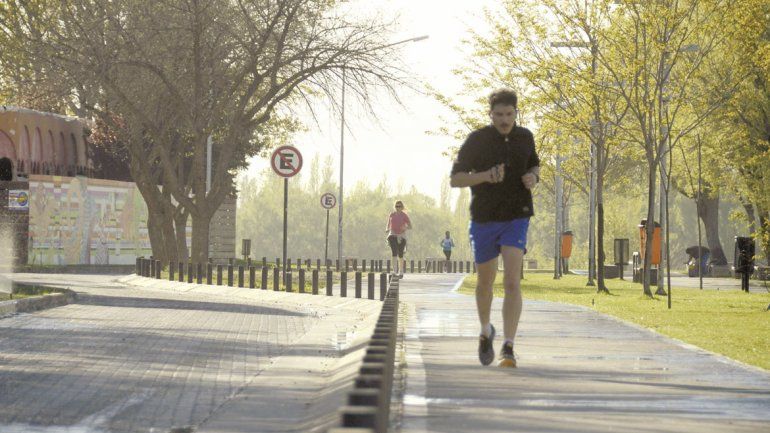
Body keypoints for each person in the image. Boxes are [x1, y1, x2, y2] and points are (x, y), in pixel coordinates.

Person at [449, 89, 540, 368]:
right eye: (499, 115)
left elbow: (535, 164)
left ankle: (509, 346)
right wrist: (486, 176)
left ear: (516, 113)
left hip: (517, 215)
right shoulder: (477, 140)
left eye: (509, 114)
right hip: (485, 218)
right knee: (485, 282)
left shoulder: (525, 137)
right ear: (490, 114)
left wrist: (532, 178)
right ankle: (486, 329)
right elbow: (455, 179)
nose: (504, 120)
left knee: (512, 281)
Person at [385, 200, 412, 278]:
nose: (398, 208)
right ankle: (394, 271)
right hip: (392, 234)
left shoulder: (404, 215)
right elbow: (388, 224)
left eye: (399, 206)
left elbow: (410, 226)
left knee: (400, 254)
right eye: (396, 206)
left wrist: (405, 227)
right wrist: (387, 229)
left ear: (402, 207)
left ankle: (401, 272)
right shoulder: (392, 214)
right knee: (394, 251)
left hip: (401, 235)